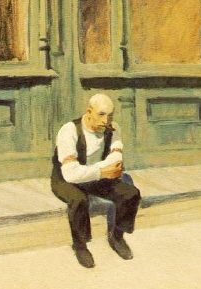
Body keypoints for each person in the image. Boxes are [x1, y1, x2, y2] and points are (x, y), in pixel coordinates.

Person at [51, 93, 141, 268]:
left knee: (131, 193)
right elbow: (70, 174)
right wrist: (101, 171)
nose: (106, 121)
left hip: (97, 176)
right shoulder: (69, 130)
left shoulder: (113, 128)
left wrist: (97, 171)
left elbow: (116, 160)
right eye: (101, 114)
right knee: (79, 200)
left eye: (110, 115)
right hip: (65, 180)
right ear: (89, 111)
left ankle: (117, 236)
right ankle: (80, 245)